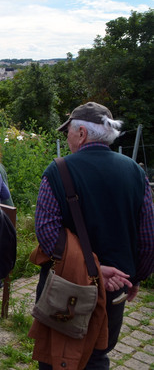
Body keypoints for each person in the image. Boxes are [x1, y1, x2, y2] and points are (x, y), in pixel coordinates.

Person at [31, 102, 154, 369]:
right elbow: (147, 238)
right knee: (98, 354)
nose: (67, 139)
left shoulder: (58, 171)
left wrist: (93, 269)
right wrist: (135, 278)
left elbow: (47, 235)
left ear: (82, 133)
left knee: (56, 355)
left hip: (66, 288)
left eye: (69, 133)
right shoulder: (136, 172)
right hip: (115, 288)